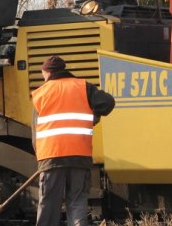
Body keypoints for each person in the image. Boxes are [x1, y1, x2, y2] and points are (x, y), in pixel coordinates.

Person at [31, 55, 115, 226]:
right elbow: (108, 102)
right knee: (77, 202)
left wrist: (41, 159)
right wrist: (92, 117)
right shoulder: (84, 87)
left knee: (49, 205)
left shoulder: (40, 93)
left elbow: (35, 132)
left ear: (47, 72)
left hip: (51, 156)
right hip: (79, 155)